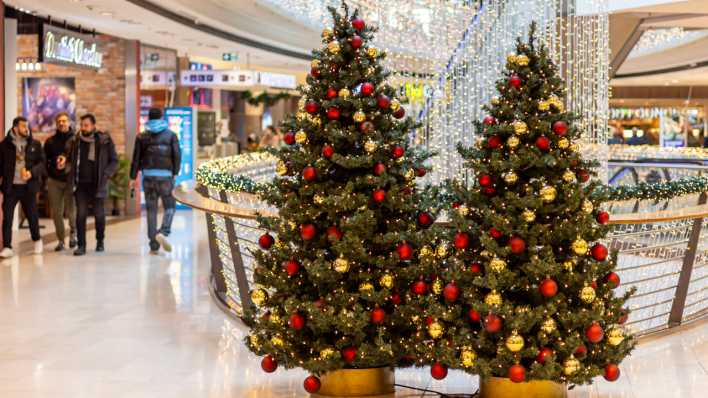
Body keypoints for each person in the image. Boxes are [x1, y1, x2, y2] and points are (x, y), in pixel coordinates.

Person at [130, 108, 181, 254]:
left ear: (149, 118)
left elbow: (136, 159)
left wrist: (133, 177)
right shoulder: (171, 135)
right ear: (161, 118)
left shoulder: (142, 136)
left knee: (151, 210)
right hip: (165, 177)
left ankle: (153, 243)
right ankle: (163, 232)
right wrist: (175, 172)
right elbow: (177, 155)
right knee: (170, 206)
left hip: (148, 178)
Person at [66, 114, 118, 256]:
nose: (83, 128)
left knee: (99, 216)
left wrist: (106, 174)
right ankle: (81, 245)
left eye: (86, 125)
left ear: (93, 126)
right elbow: (68, 157)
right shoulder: (75, 141)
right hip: (80, 184)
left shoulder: (104, 140)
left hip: (98, 184)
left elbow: (114, 161)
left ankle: (100, 241)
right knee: (81, 215)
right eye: (82, 125)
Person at [0, 116, 45, 258]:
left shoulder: (35, 144)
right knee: (7, 217)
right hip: (10, 188)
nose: (27, 129)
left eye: (27, 126)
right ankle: (7, 246)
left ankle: (37, 239)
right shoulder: (3, 145)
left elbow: (42, 164)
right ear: (15, 128)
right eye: (23, 126)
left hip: (28, 188)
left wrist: (32, 173)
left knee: (32, 216)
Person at [44, 112, 77, 251]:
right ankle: (61, 240)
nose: (62, 123)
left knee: (71, 212)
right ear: (56, 123)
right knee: (57, 213)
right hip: (54, 181)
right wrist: (48, 174)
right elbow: (44, 160)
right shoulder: (50, 141)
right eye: (59, 121)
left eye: (64, 121)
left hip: (70, 180)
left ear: (69, 122)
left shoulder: (76, 140)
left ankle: (73, 234)